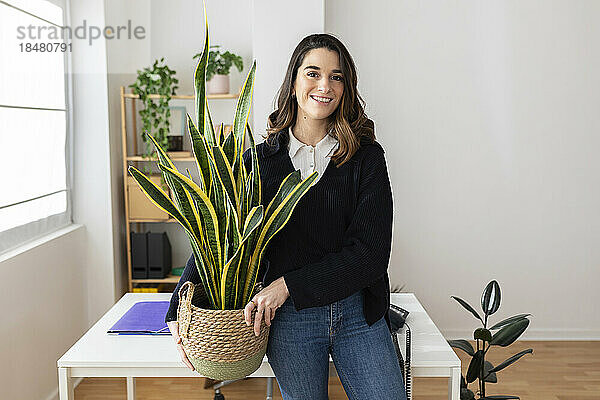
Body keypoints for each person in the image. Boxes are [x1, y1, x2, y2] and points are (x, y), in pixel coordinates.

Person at [166, 33, 406, 400]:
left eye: (336, 77)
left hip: (358, 311)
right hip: (291, 319)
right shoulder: (257, 163)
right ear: (293, 82)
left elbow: (370, 256)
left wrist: (286, 285)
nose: (324, 85)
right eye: (313, 73)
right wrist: (177, 316)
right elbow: (216, 238)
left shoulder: (366, 158)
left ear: (346, 87)